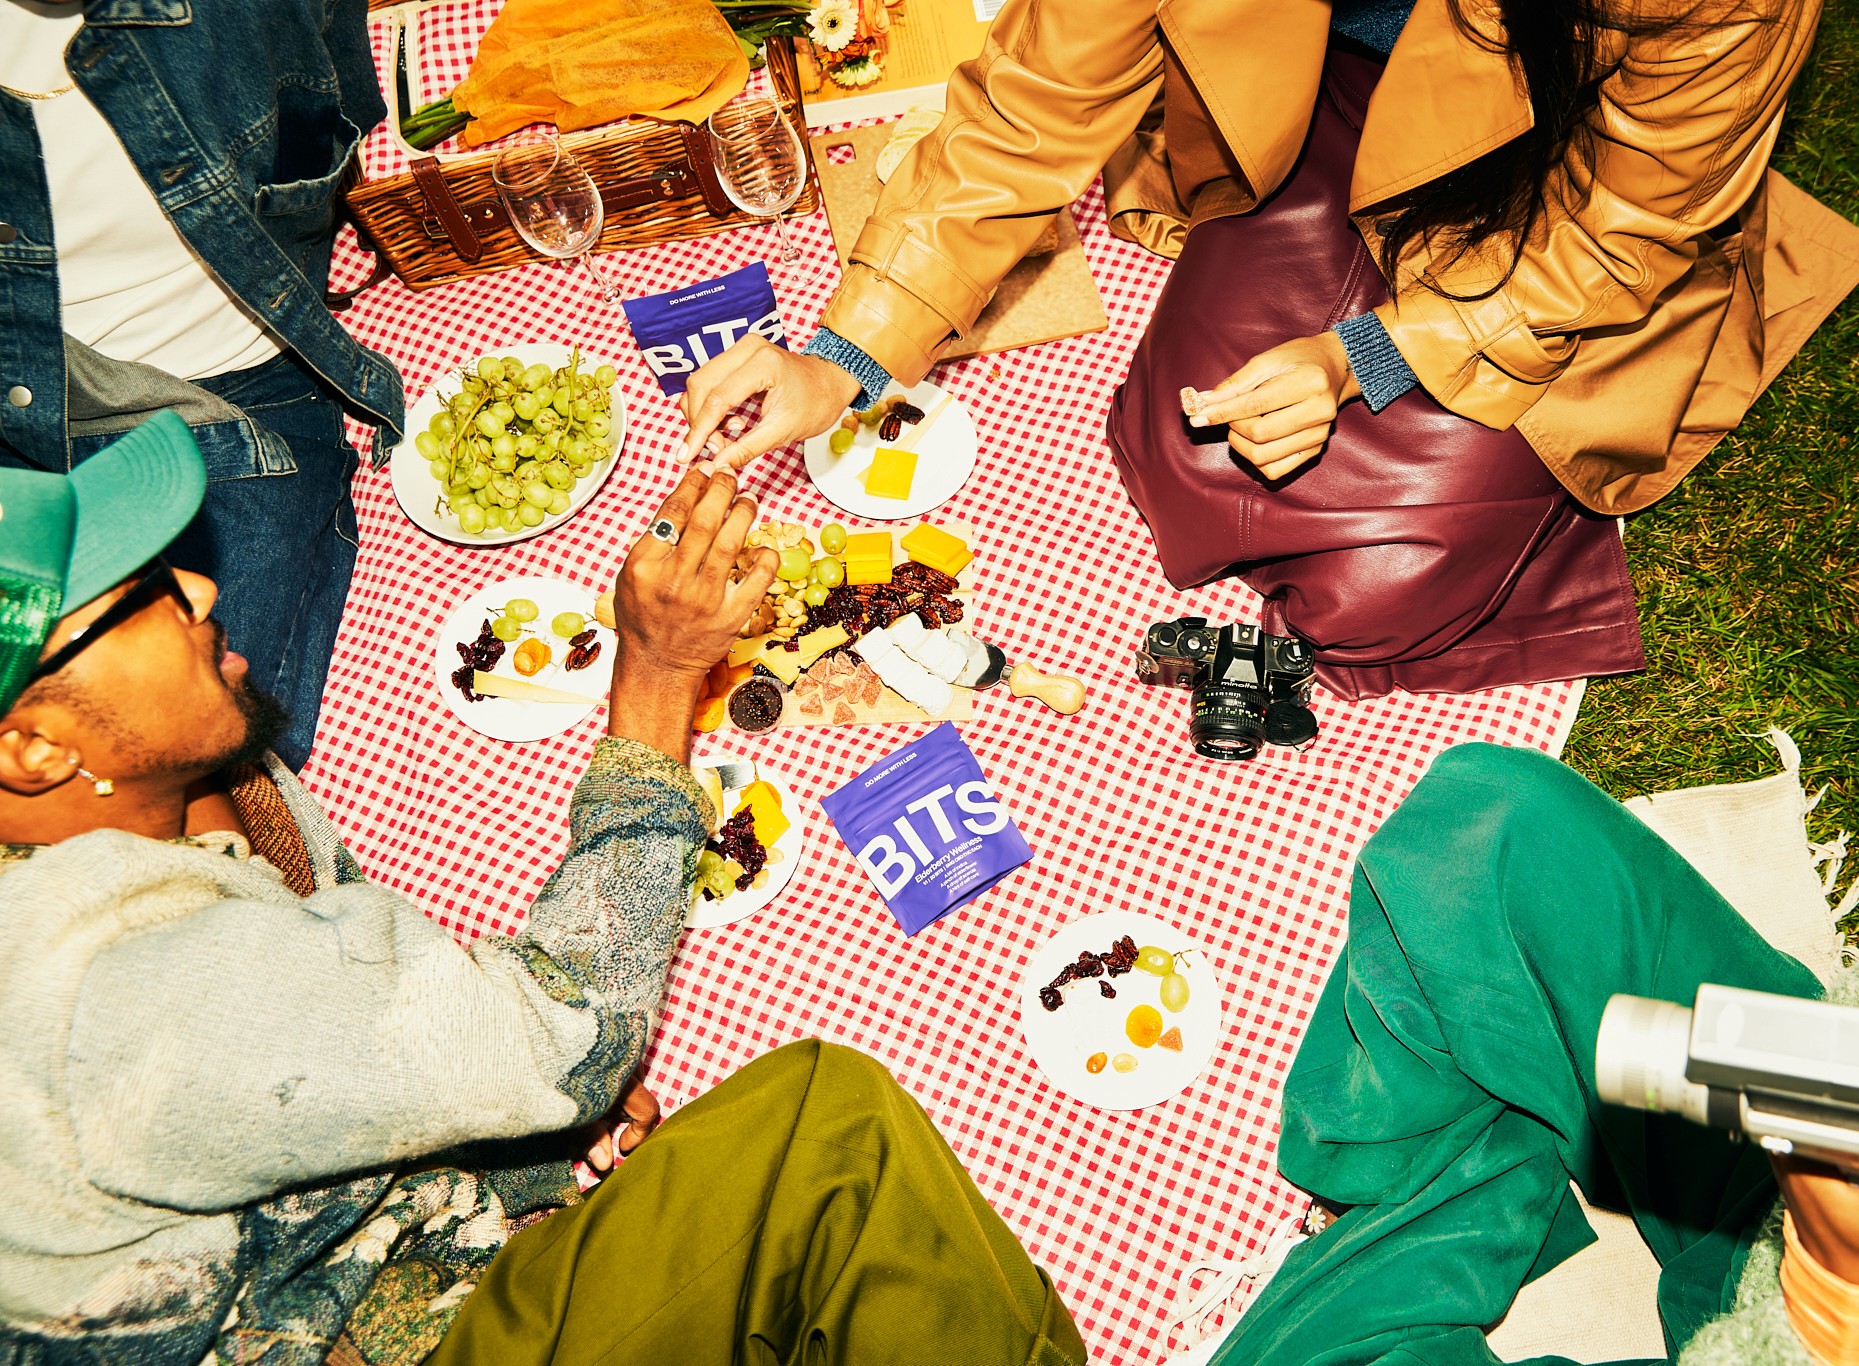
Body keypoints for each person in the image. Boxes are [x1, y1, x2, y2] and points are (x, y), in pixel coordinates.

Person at [0, 414, 1089, 1366]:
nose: (196, 584)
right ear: (35, 750)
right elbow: (564, 1028)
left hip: (403, 1237)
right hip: (401, 1330)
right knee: (832, 1130)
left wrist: (516, 1160)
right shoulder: (111, 1003)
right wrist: (657, 678)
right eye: (130, 594)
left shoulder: (192, 783)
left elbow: (328, 1066)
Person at [675, 0, 1859, 699]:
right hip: (1327, 104)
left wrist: (1360, 356)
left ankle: (1552, 492)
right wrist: (849, 349)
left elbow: (1623, 226)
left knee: (1373, 590)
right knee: (1190, 450)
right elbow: (1032, 107)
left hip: (1554, 185)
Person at [1195, 742, 1859, 1365]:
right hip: (1800, 1163)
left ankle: (1446, 1179)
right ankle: (1440, 1159)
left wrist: (1849, 1301)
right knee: (1497, 818)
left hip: (1778, 1328)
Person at [0, 0, 407, 770]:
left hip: (228, 390)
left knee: (187, 742)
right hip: (24, 435)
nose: (193, 591)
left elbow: (345, 104)